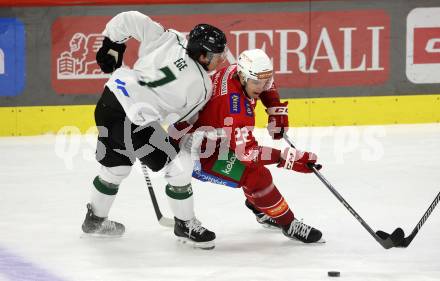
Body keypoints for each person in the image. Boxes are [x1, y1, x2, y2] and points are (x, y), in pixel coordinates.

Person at [81, 11, 227, 249]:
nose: (221, 61)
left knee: (115, 167)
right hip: (134, 122)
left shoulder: (172, 38)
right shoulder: (202, 86)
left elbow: (131, 19)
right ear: (202, 54)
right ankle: (185, 224)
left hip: (109, 101)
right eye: (217, 56)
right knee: (179, 166)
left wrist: (111, 44)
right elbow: (179, 121)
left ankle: (94, 220)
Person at [170, 49, 323, 244]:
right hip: (196, 153)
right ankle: (288, 223)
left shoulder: (238, 71)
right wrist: (288, 158)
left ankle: (261, 206)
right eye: (256, 82)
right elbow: (248, 154)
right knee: (257, 176)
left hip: (215, 137)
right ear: (242, 77)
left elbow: (266, 82)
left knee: (255, 177)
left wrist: (275, 109)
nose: (261, 87)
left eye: (264, 81)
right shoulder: (233, 108)